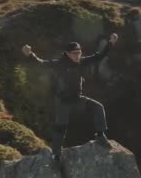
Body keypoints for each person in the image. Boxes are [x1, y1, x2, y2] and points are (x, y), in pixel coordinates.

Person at [21, 33, 119, 162]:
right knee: (61, 127)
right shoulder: (59, 64)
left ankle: (100, 136)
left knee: (98, 107)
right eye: (74, 53)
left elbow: (99, 56)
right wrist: (30, 54)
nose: (78, 55)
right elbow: (42, 64)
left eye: (79, 52)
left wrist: (111, 43)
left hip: (77, 98)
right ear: (67, 53)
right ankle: (56, 154)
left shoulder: (81, 61)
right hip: (63, 101)